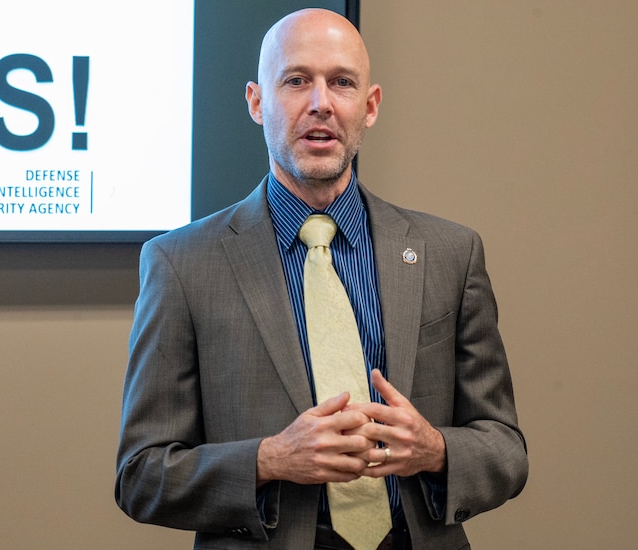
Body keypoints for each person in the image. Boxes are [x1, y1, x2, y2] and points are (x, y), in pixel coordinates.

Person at [115, 8, 527, 550]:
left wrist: (435, 449)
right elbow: (142, 475)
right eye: (296, 81)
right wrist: (270, 459)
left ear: (370, 105)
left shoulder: (450, 253)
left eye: (341, 82)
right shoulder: (181, 264)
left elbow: (505, 448)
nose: (320, 103)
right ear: (256, 102)